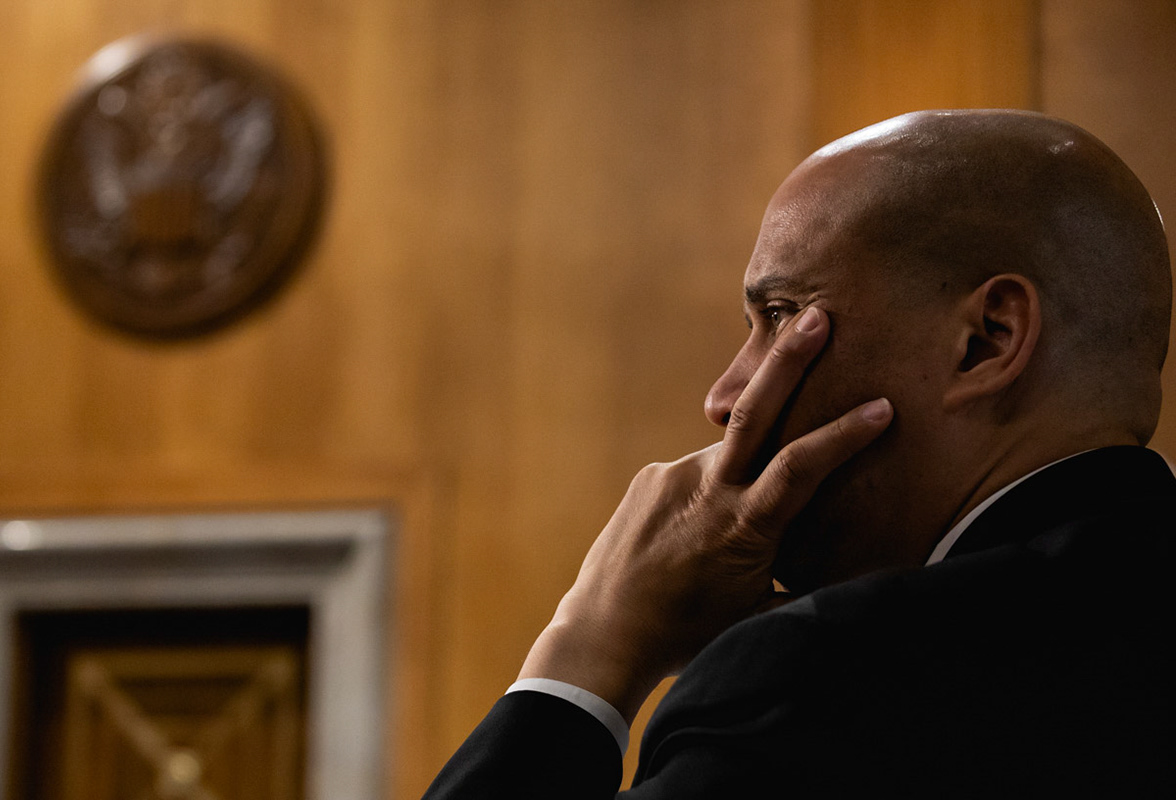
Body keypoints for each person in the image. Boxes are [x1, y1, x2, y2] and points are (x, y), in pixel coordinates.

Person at [424, 109, 1176, 797]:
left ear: (987, 341)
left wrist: (587, 651)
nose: (725, 396)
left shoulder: (829, 677)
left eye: (782, 316)